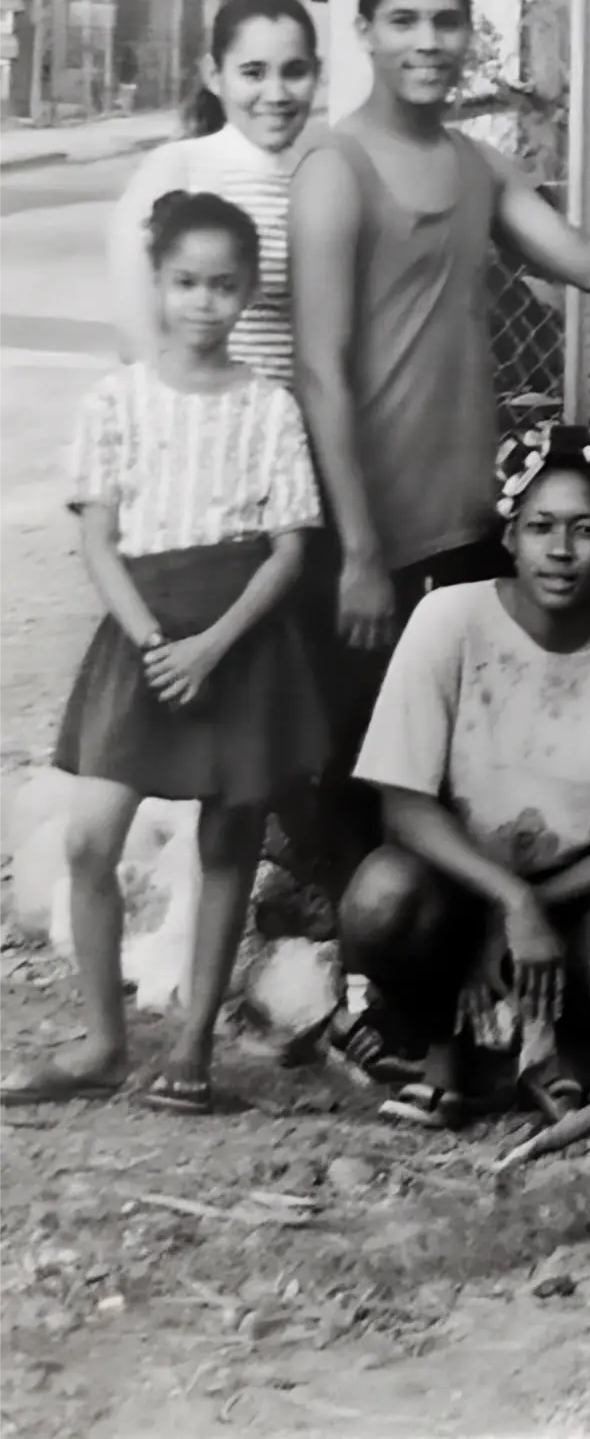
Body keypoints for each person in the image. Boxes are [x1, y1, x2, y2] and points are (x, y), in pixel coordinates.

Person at [287, 0, 590, 898]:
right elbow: (318, 370)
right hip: (370, 548)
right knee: (369, 783)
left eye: (445, 20)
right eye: (404, 21)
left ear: (469, 32)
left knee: (461, 782)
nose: (427, 41)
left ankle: (469, 993)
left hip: (469, 536)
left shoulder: (480, 168)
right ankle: (362, 996)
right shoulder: (336, 169)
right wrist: (354, 551)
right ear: (366, 32)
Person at [0, 193, 326, 1112]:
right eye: (185, 283)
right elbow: (99, 539)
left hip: (240, 642)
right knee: (89, 836)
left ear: (247, 292)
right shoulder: (118, 400)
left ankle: (192, 1051)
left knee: (229, 839)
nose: (203, 304)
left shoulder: (268, 409)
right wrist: (153, 642)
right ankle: (103, 1041)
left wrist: (216, 646)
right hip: (142, 641)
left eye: (224, 286)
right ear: (156, 285)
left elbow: (291, 549)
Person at [337, 423, 590, 1128]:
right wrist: (506, 903)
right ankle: (442, 1047)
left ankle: (570, 1051)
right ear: (510, 537)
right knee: (380, 900)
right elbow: (403, 806)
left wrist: (532, 907)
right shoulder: (448, 619)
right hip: (458, 885)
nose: (563, 552)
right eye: (541, 527)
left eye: (586, 530)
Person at [108, 0, 323, 379]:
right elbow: (136, 330)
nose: (276, 94)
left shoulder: (322, 175)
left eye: (294, 71)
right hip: (202, 425)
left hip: (293, 429)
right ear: (213, 75)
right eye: (253, 72)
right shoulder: (178, 168)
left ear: (317, 73)